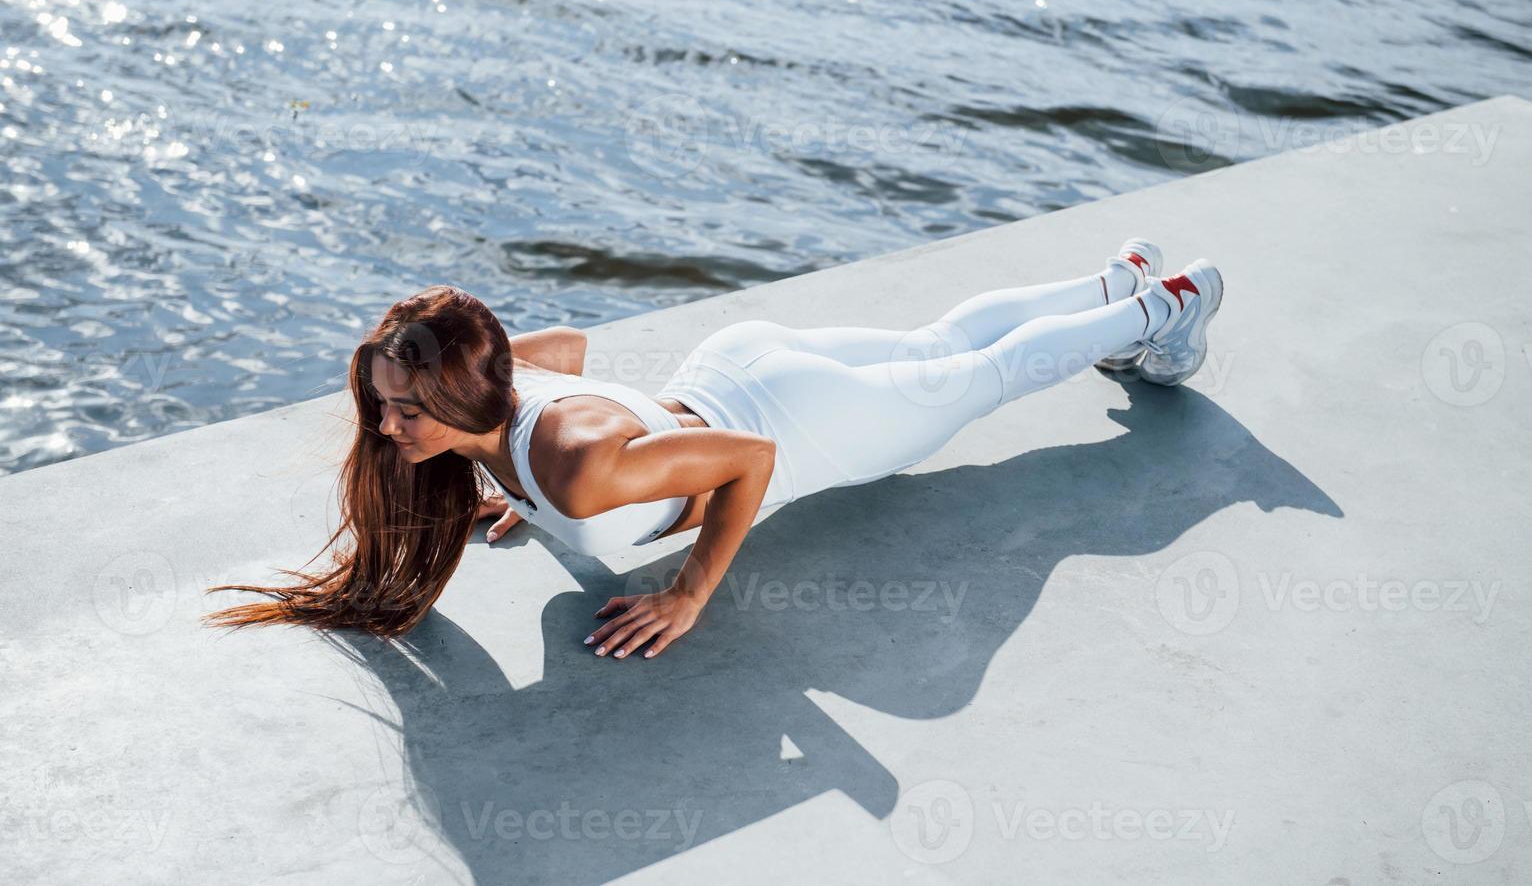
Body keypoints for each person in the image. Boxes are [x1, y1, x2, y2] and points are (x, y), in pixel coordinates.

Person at [203, 241, 1223, 659]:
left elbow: (748, 462)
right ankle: (1110, 280)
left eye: (403, 411)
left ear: (460, 393)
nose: (386, 428)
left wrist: (688, 593)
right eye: (383, 406)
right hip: (734, 362)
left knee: (978, 375)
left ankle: (1161, 305)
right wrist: (518, 484)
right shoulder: (508, 390)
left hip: (797, 420)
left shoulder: (570, 457)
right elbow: (562, 357)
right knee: (936, 346)